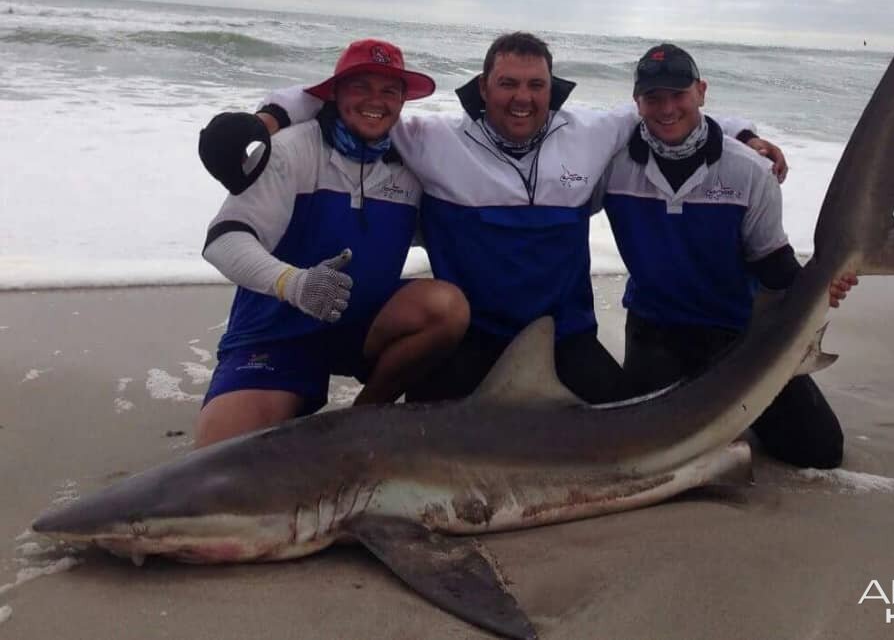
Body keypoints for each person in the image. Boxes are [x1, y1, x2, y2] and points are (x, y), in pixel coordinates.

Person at [201, 33, 788, 404]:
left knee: (618, 425)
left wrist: (745, 135)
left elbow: (669, 115)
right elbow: (351, 103)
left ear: (551, 89)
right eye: (507, 84)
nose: (521, 97)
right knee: (423, 442)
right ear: (484, 86)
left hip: (564, 337)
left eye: (535, 85)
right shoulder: (432, 140)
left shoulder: (591, 134)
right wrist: (263, 122)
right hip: (472, 336)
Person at [197, 39, 469, 447]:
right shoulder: (291, 151)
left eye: (389, 91)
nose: (375, 101)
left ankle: (362, 417)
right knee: (217, 460)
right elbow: (224, 240)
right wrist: (295, 284)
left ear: (402, 102)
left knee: (446, 306)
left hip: (362, 329)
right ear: (335, 93)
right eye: (360, 87)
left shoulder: (412, 166)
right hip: (277, 333)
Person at [599, 43, 856, 468]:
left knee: (820, 452)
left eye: (678, 95)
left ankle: (738, 410)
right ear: (637, 102)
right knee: (647, 454)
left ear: (701, 91)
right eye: (653, 98)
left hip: (741, 334)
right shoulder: (613, 166)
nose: (666, 109)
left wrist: (823, 284)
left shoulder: (750, 171)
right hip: (655, 329)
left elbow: (774, 266)